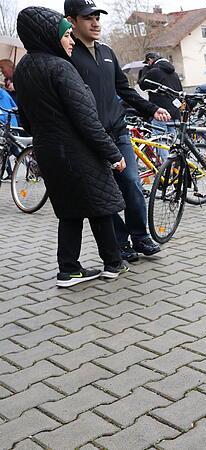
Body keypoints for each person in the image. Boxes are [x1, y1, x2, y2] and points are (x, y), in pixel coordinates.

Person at [14, 7, 128, 287]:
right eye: (66, 35)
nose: (72, 41)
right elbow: (86, 119)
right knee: (101, 206)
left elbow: (25, 121)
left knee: (69, 211)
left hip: (48, 151)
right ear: (49, 36)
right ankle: (113, 263)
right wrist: (113, 154)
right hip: (78, 151)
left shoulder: (23, 69)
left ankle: (68, 269)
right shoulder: (61, 67)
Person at [65, 0, 167, 262]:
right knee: (105, 192)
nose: (95, 23)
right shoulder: (67, 54)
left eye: (97, 17)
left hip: (118, 131)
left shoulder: (107, 51)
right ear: (71, 21)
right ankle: (120, 243)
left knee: (132, 182)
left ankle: (140, 236)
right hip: (89, 137)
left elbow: (124, 89)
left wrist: (151, 109)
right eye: (88, 18)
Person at [138, 51, 183, 129]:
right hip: (175, 111)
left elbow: (142, 85)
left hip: (161, 112)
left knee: (160, 135)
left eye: (147, 63)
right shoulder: (174, 73)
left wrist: (145, 71)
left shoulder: (154, 71)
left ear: (150, 60)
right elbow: (180, 90)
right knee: (174, 136)